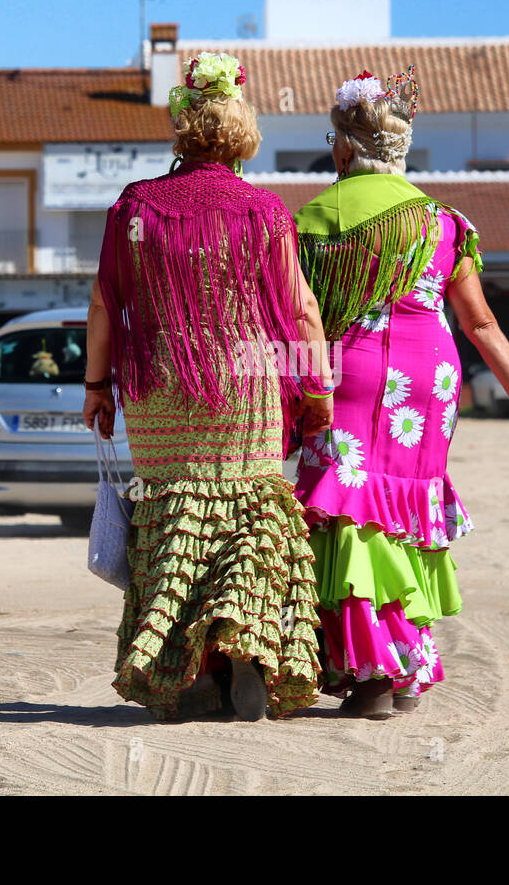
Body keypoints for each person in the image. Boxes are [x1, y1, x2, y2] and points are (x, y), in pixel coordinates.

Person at [293, 66, 509, 719]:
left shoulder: (312, 220)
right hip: (428, 387)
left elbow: (298, 319)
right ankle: (406, 668)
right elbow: (481, 324)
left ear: (345, 147)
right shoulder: (444, 223)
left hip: (347, 380)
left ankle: (373, 673)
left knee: (352, 514)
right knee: (402, 517)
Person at [83, 52, 333, 722]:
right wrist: (317, 391)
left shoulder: (136, 206)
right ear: (241, 130)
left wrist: (95, 385)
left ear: (182, 128)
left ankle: (186, 671)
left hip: (160, 381)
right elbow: (302, 309)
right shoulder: (264, 210)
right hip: (245, 382)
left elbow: (106, 303)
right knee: (247, 512)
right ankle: (245, 651)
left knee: (176, 517)